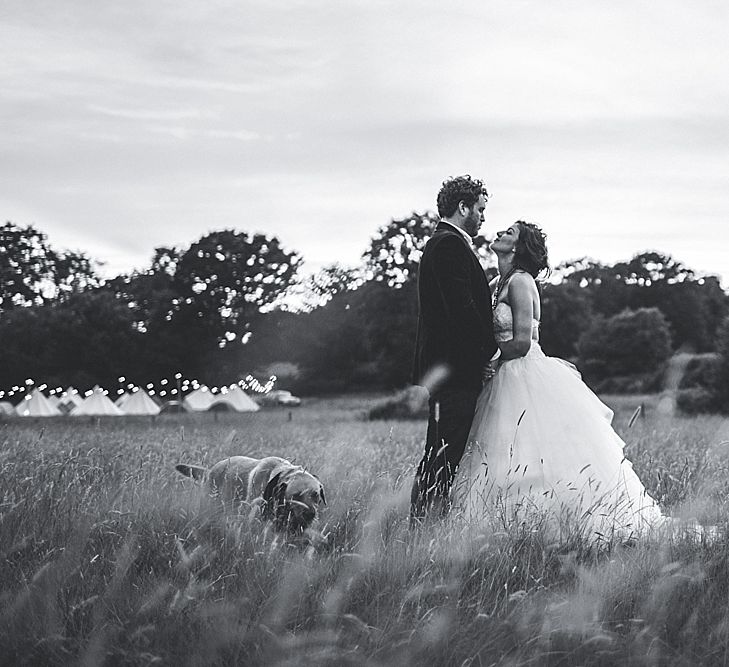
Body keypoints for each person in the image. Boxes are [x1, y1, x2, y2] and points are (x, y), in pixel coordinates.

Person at [452, 221, 666, 539]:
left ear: (518, 246)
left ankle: (557, 523)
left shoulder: (522, 282)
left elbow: (523, 342)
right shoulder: (497, 281)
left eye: (508, 232)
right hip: (502, 376)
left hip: (522, 374)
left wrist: (491, 363)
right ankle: (506, 525)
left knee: (533, 449)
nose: (499, 233)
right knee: (500, 453)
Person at [410, 175, 498, 524]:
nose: (483, 218)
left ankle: (422, 523)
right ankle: (423, 525)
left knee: (440, 451)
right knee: (443, 454)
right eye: (480, 209)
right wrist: (488, 353)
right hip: (454, 372)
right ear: (463, 207)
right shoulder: (448, 245)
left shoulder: (446, 244)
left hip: (450, 370)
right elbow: (461, 312)